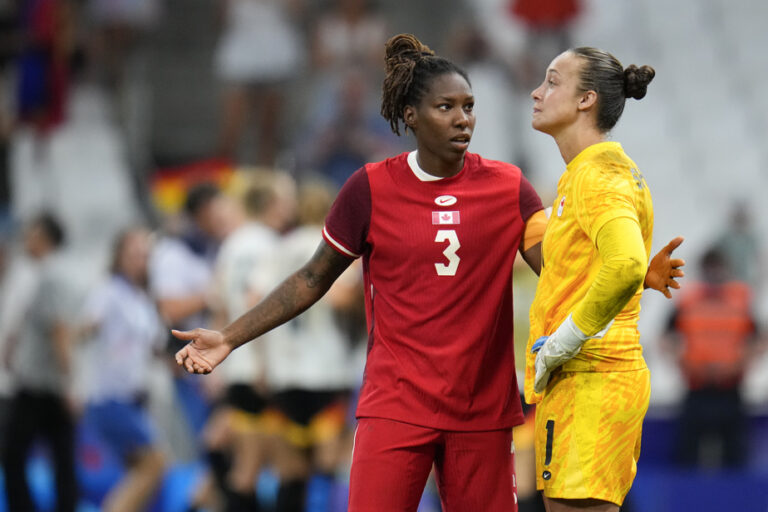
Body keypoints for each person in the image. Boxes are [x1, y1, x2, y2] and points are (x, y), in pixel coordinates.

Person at [173, 34, 683, 511]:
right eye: (446, 108)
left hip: (482, 412)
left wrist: (635, 275)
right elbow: (311, 279)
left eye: (469, 108)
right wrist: (229, 337)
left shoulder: (509, 188)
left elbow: (559, 269)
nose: (463, 119)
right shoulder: (369, 188)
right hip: (395, 405)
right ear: (410, 115)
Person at [525, 47, 683, 512]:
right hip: (591, 380)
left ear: (585, 100)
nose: (537, 91)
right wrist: (636, 282)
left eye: (553, 81)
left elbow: (626, 262)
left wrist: (563, 341)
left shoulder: (596, 176)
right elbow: (620, 266)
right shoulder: (597, 172)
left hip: (591, 379)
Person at [261, 180, 361, 512]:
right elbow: (343, 297)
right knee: (329, 463)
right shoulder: (329, 248)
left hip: (284, 372)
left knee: (292, 470)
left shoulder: (277, 248)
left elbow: (256, 297)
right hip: (324, 370)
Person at [79, 227, 167, 512]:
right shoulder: (109, 291)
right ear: (118, 256)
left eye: (145, 255)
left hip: (135, 396)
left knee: (139, 471)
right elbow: (86, 325)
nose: (140, 260)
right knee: (155, 464)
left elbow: (154, 347)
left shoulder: (141, 297)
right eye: (134, 254)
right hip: (111, 396)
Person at [1, 212, 78, 512]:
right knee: (60, 455)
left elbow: (58, 332)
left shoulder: (49, 277)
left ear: (45, 239)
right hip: (41, 382)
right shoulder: (33, 274)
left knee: (16, 455)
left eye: (32, 233)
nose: (26, 239)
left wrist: (69, 383)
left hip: (41, 383)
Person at [663, 247, 758, 469]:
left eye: (718, 268)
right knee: (686, 455)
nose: (715, 273)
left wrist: (739, 365)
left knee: (735, 458)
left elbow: (757, 340)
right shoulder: (688, 300)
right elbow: (666, 338)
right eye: (710, 268)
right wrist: (684, 364)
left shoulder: (740, 299)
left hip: (730, 388)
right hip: (697, 387)